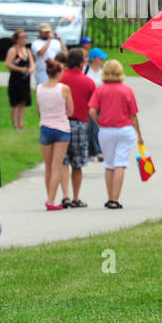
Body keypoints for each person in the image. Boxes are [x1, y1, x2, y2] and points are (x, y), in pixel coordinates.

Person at [88, 59, 143, 209]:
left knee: (109, 163)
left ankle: (109, 197)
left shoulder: (100, 89)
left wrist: (99, 122)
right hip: (125, 129)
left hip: (106, 130)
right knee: (121, 162)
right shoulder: (126, 90)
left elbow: (92, 110)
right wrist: (139, 135)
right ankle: (115, 199)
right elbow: (133, 115)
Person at [59, 47, 95, 209]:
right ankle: (76, 197)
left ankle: (65, 196)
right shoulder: (88, 81)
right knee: (77, 163)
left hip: (61, 122)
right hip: (80, 123)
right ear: (81, 64)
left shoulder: (60, 79)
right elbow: (92, 104)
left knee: (63, 161)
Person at [35, 57, 73, 211]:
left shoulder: (39, 88)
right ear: (58, 73)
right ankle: (51, 200)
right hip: (61, 128)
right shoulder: (64, 88)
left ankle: (49, 197)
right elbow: (71, 109)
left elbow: (39, 109)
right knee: (58, 166)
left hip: (45, 127)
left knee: (48, 167)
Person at [3, 31, 35, 130]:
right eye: (22, 37)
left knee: (23, 102)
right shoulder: (13, 50)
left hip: (25, 79)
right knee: (16, 103)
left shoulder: (27, 50)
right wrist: (21, 69)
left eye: (25, 37)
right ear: (17, 39)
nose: (24, 39)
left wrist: (31, 69)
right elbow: (8, 64)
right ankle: (15, 125)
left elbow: (32, 63)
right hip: (16, 79)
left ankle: (21, 124)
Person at [85, 47, 107, 160]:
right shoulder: (86, 70)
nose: (102, 60)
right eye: (100, 58)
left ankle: (98, 151)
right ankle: (90, 152)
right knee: (89, 127)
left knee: (98, 127)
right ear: (93, 59)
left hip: (102, 102)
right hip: (89, 103)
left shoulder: (103, 71)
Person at [31, 23, 64, 87]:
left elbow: (65, 52)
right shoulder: (36, 43)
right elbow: (41, 52)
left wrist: (60, 41)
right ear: (40, 32)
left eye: (48, 32)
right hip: (42, 71)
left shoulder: (56, 42)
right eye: (44, 32)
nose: (47, 33)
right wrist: (49, 39)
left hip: (55, 71)